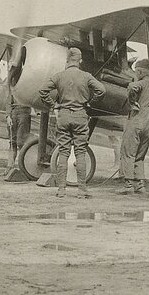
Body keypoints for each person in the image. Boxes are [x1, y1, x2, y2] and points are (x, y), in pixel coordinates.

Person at [39, 47, 105, 198]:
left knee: (63, 151)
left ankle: (61, 189)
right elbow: (101, 90)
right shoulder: (86, 76)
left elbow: (43, 91)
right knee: (80, 152)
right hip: (80, 115)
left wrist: (53, 105)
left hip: (63, 115)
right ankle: (81, 190)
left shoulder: (59, 76)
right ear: (80, 60)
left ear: (67, 60)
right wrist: (90, 103)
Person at [117, 58, 149, 194]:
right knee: (140, 155)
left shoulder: (142, 83)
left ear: (140, 72)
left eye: (136, 72)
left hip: (136, 122)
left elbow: (131, 87)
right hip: (148, 125)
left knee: (128, 152)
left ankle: (128, 186)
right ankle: (140, 185)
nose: (136, 74)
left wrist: (132, 102)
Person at [8, 92, 32, 168]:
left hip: (25, 113)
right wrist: (8, 115)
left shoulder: (29, 88)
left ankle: (23, 166)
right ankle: (10, 165)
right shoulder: (13, 88)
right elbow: (8, 101)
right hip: (13, 113)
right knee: (12, 141)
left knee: (21, 142)